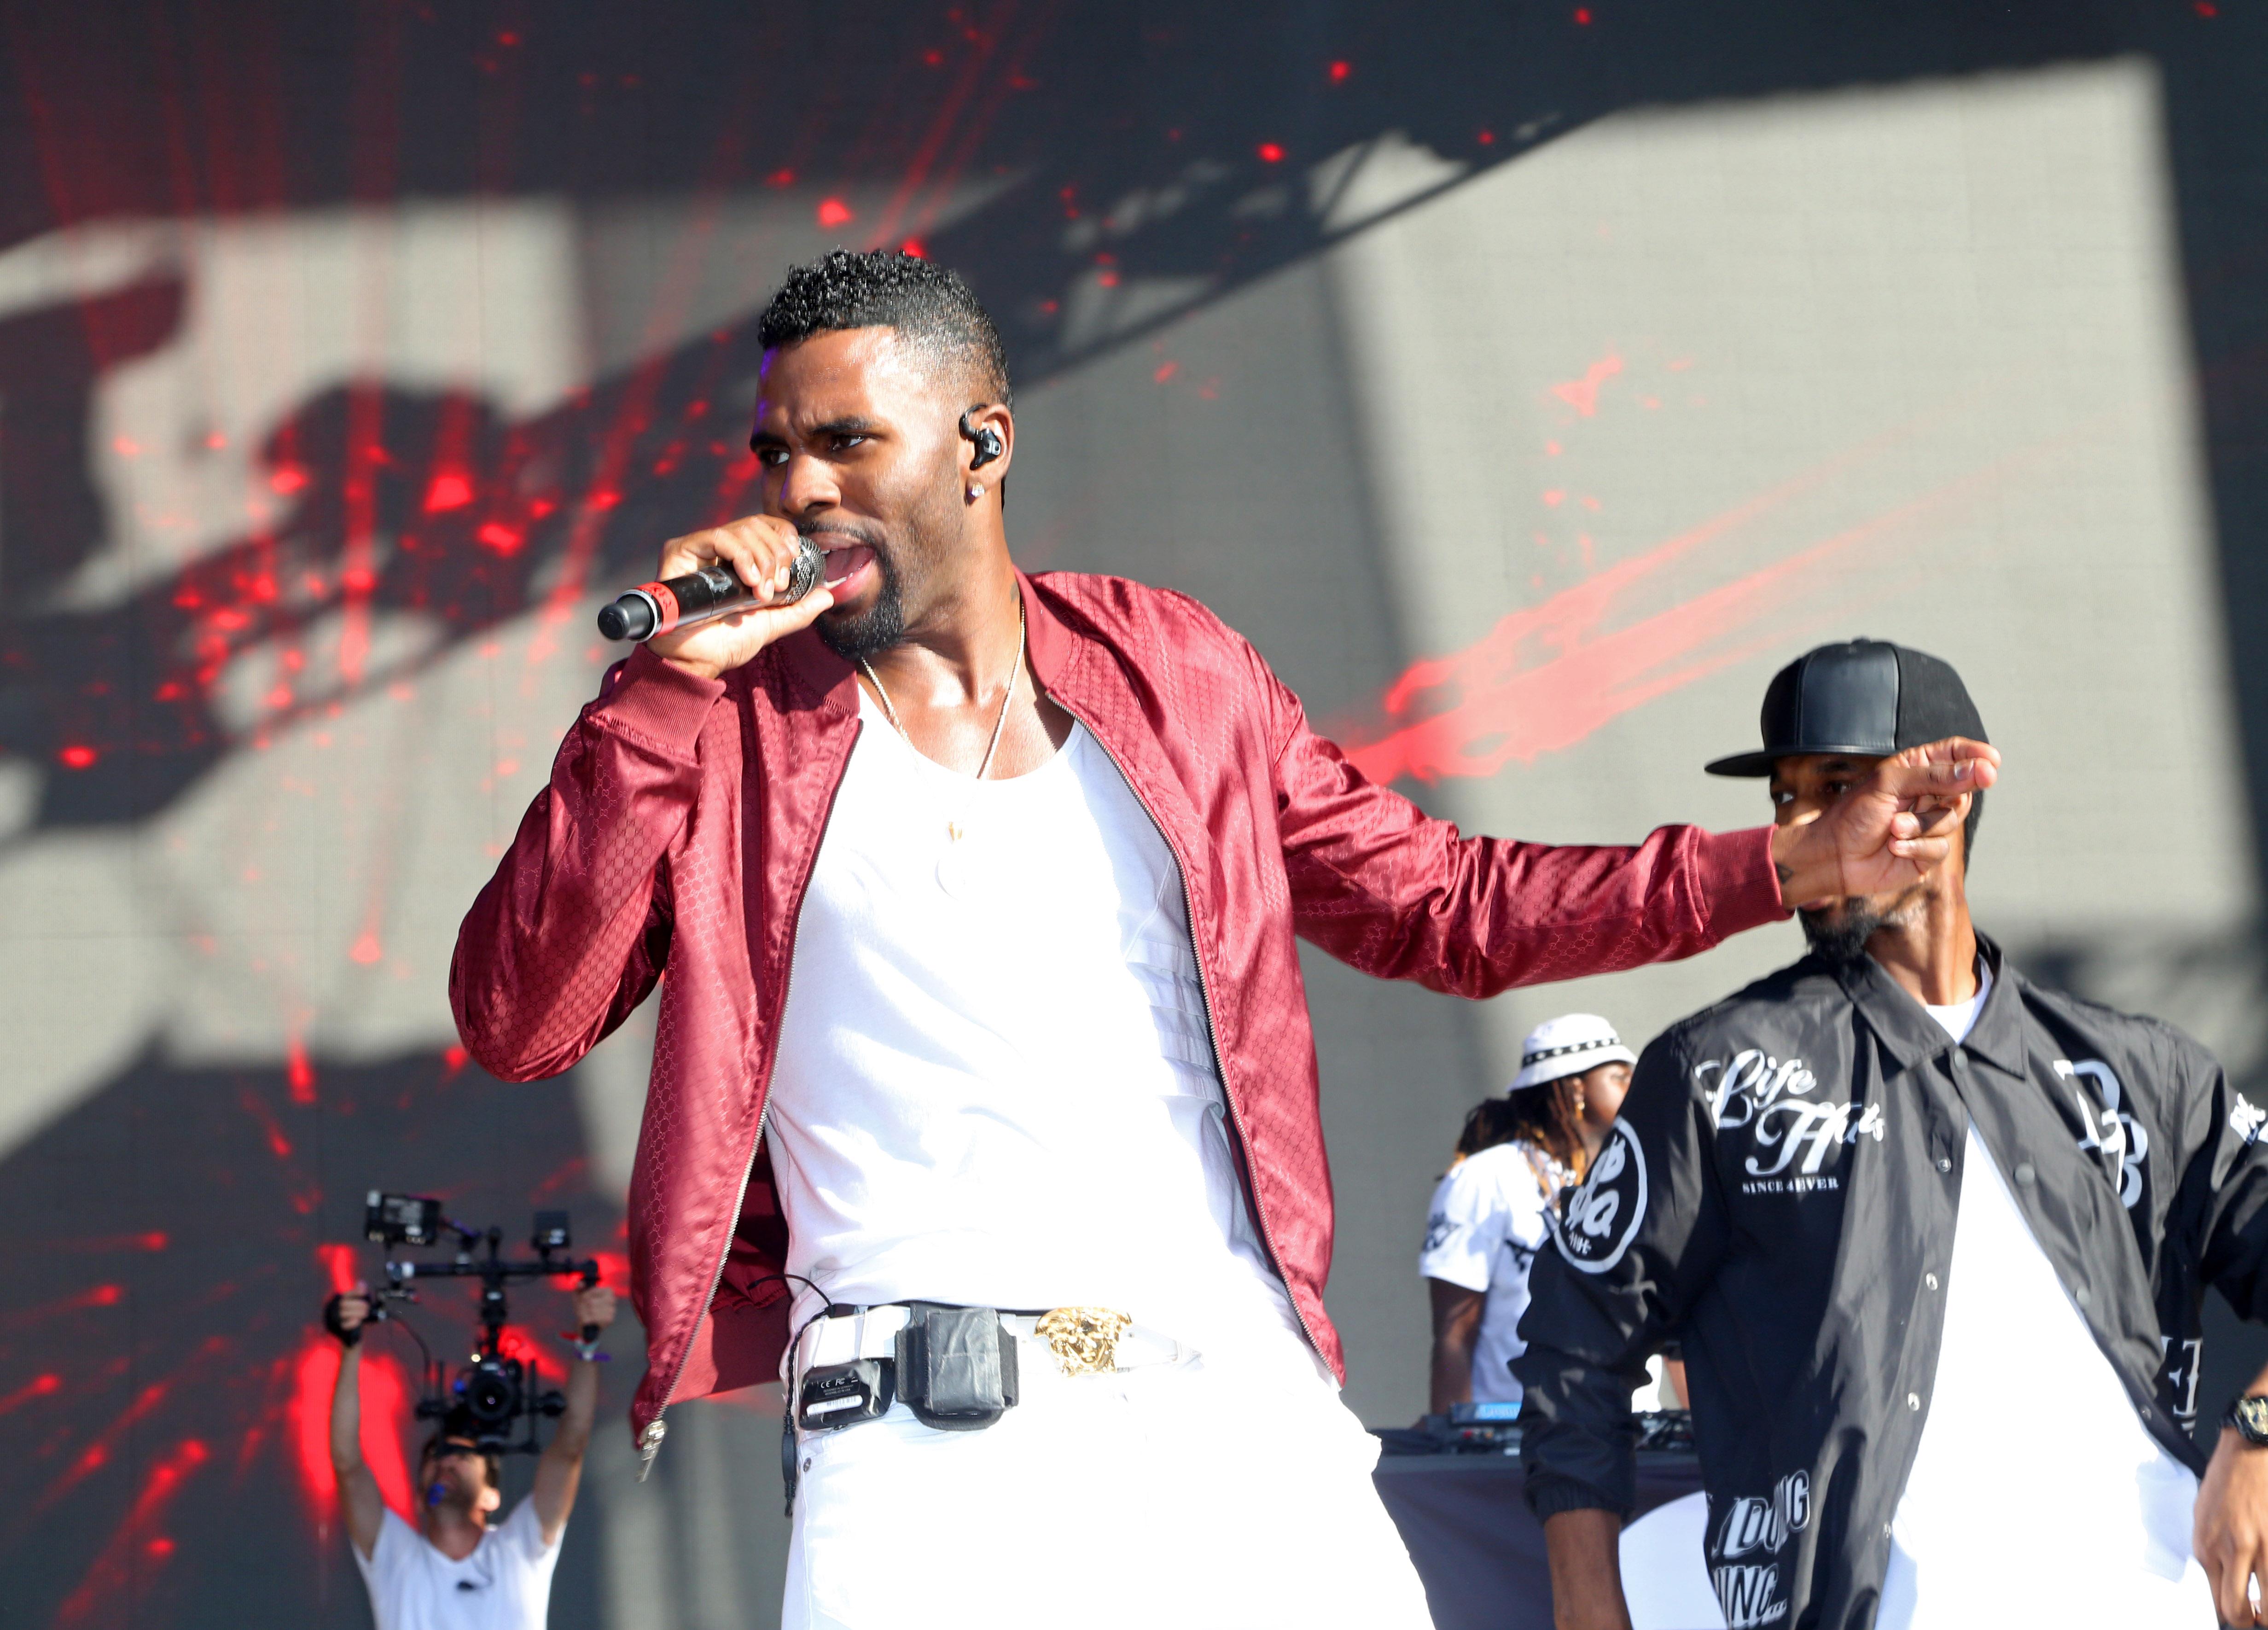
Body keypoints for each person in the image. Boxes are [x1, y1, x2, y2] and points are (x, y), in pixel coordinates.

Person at [448, 250, 1994, 1630]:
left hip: (1237, 1415)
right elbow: (520, 1017)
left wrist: (1779, 864)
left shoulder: (1171, 673)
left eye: (848, 441)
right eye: (778, 449)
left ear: (980, 444)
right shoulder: (723, 737)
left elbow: (1444, 906)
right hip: (925, 1459)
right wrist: (658, 697)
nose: (799, 487)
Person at [1517, 637, 2268, 1630]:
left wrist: (2257, 1435)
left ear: (1941, 803)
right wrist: (1586, 1612)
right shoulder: (1719, 1073)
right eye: (1786, 799)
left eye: (1834, 788)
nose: (1800, 828)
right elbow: (1575, 1349)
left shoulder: (2144, 1071)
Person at [325, 1281, 616, 1630]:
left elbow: (570, 1448)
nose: (446, 1461)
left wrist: (589, 1341)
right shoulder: (396, 1559)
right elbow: (348, 1464)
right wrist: (351, 1347)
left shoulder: (518, 1550)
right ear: (419, 1499)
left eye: (464, 1456)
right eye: (436, 1456)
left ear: (492, 1496)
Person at [1422, 1013, 1635, 1414]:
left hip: (1635, 1436)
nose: (1636, 1089)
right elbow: (1454, 1334)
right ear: (1576, 1088)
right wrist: (1457, 1443)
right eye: (1620, 1077)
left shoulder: (1642, 1175)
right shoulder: (1485, 1178)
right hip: (1519, 1440)